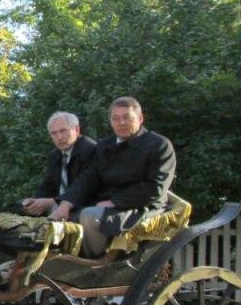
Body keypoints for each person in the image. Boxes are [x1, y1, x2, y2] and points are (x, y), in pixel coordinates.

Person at [50, 97, 176, 257]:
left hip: (142, 206)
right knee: (59, 210)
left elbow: (154, 188)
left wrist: (114, 202)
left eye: (127, 118)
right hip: (106, 204)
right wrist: (66, 204)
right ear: (111, 121)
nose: (121, 123)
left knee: (89, 216)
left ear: (140, 118)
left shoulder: (159, 145)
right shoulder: (104, 145)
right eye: (116, 118)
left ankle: (93, 266)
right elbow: (89, 178)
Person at [21, 112, 96, 216]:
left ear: (77, 130)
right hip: (60, 204)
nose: (59, 137)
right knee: (19, 209)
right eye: (54, 133)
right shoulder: (55, 155)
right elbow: (49, 185)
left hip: (84, 206)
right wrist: (34, 201)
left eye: (63, 131)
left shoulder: (90, 150)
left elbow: (83, 188)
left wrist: (52, 201)